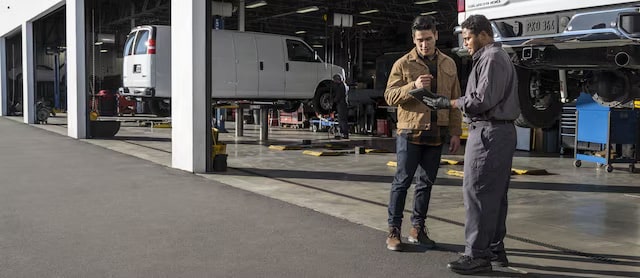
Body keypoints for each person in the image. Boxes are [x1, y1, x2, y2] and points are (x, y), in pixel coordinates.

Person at [421, 14, 520, 275]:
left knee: (477, 193)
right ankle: (495, 250)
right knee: (495, 195)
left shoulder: (491, 57)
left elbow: (480, 100)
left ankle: (476, 255)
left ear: (484, 35)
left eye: (468, 38)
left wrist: (448, 102)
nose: (465, 43)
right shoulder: (497, 58)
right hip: (499, 132)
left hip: (488, 132)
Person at [383, 15, 462, 251]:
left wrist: (456, 132)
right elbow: (389, 96)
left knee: (426, 184)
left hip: (437, 133)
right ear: (413, 39)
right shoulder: (403, 64)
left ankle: (417, 229)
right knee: (402, 182)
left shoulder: (449, 64)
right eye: (419, 40)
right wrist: (413, 86)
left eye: (428, 39)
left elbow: (454, 99)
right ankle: (393, 231)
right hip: (410, 132)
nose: (424, 44)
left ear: (436, 36)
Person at [332, 74, 349, 139]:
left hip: (342, 104)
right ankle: (343, 133)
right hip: (343, 104)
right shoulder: (344, 85)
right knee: (342, 119)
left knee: (342, 119)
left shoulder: (341, 86)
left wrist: (333, 100)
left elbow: (339, 96)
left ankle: (344, 133)